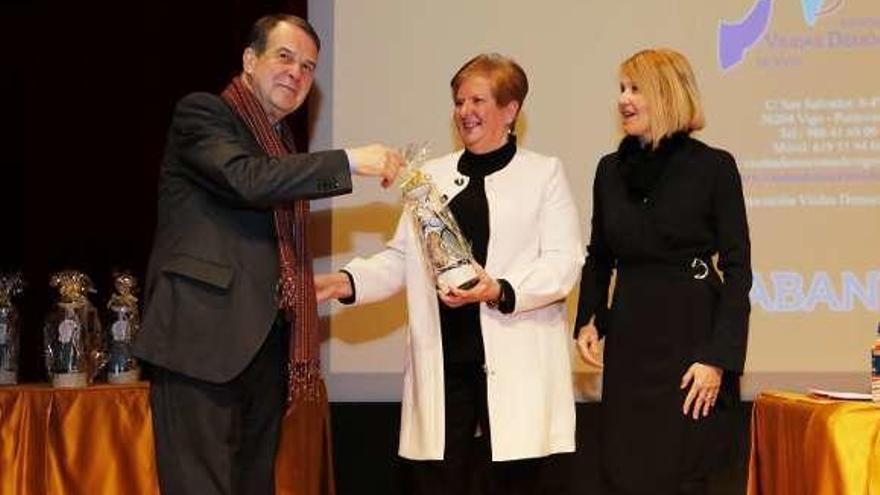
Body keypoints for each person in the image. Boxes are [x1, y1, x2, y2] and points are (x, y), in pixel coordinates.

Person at [133, 14, 403, 495]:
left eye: (308, 66)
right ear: (249, 59)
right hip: (200, 343)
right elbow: (247, 180)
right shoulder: (204, 115)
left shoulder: (281, 143)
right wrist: (351, 160)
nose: (297, 73)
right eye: (285, 57)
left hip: (265, 348)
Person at [316, 53, 583, 495]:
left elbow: (563, 262)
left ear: (510, 110)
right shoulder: (430, 177)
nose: (464, 112)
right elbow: (402, 259)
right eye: (459, 101)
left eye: (478, 100)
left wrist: (498, 289)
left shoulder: (543, 174)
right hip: (446, 365)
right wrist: (343, 282)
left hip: (515, 366)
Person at [574, 48, 751, 495]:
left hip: (692, 341)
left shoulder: (714, 167)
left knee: (685, 472)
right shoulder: (609, 170)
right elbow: (600, 256)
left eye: (635, 88)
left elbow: (737, 268)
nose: (623, 99)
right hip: (631, 342)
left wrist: (718, 358)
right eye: (621, 89)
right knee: (626, 470)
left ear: (667, 94)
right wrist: (589, 319)